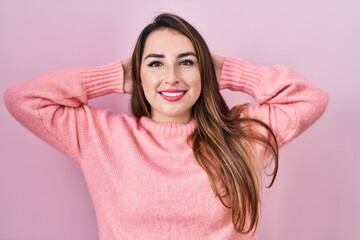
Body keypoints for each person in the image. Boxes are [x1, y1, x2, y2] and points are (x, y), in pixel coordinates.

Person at [4, 13, 329, 240]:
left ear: (205, 71)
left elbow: (310, 99)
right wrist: (113, 76)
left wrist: (228, 71)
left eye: (187, 62)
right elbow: (23, 98)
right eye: (155, 63)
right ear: (137, 74)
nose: (171, 76)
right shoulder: (99, 136)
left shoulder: (242, 135)